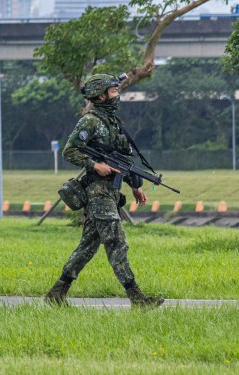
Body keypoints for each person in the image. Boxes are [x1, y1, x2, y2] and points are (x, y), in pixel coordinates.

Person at [44, 73, 164, 307]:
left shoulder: (113, 122)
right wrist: (94, 165)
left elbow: (122, 161)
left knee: (88, 246)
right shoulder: (90, 121)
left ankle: (56, 294)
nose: (117, 95)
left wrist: (135, 187)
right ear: (101, 95)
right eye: (114, 91)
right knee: (117, 242)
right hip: (97, 193)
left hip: (111, 192)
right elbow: (69, 151)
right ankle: (137, 299)